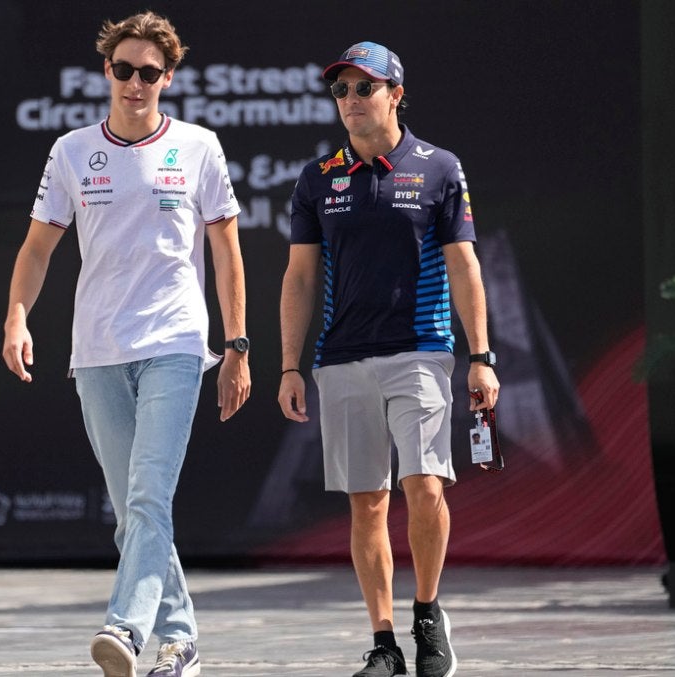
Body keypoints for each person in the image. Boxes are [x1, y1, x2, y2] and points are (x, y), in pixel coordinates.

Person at [2, 12, 250, 677]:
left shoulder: (199, 147)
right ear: (106, 73)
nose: (134, 83)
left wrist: (238, 345)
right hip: (97, 352)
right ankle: (181, 639)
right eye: (123, 70)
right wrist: (17, 317)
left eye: (148, 72)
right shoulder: (73, 151)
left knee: (146, 497)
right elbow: (37, 248)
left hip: (175, 341)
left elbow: (227, 253)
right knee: (134, 513)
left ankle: (125, 625)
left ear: (167, 78)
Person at [277, 41, 499, 677]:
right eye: (341, 90)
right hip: (341, 358)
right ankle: (384, 642)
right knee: (366, 503)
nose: (350, 101)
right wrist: (290, 366)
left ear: (396, 95)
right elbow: (298, 278)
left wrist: (480, 356)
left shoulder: (438, 168)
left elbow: (464, 266)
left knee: (424, 486)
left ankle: (428, 614)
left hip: (422, 352)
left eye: (364, 89)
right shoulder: (317, 179)